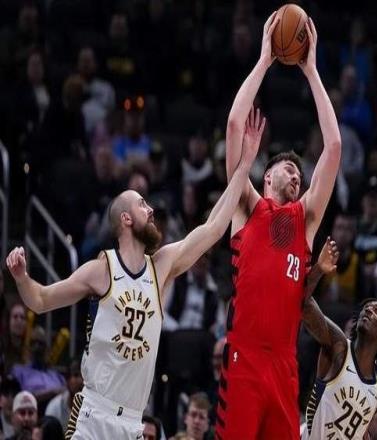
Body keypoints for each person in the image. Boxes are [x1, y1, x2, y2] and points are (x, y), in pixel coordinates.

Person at [5, 111, 263, 440]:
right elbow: (40, 300)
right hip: (94, 414)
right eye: (143, 205)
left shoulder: (162, 266)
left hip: (132, 422)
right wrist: (22, 277)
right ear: (126, 219)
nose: (151, 210)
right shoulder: (102, 269)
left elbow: (212, 229)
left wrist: (244, 167)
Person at [216, 11, 342, 439]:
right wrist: (265, 59)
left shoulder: (304, 220)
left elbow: (334, 147)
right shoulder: (246, 205)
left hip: (285, 365)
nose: (297, 176)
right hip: (245, 360)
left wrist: (311, 70)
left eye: (300, 174)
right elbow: (235, 124)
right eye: (289, 169)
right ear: (267, 176)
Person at [301, 239, 377, 439]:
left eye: (376, 311)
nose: (368, 310)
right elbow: (304, 305)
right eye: (366, 308)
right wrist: (318, 270)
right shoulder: (339, 346)